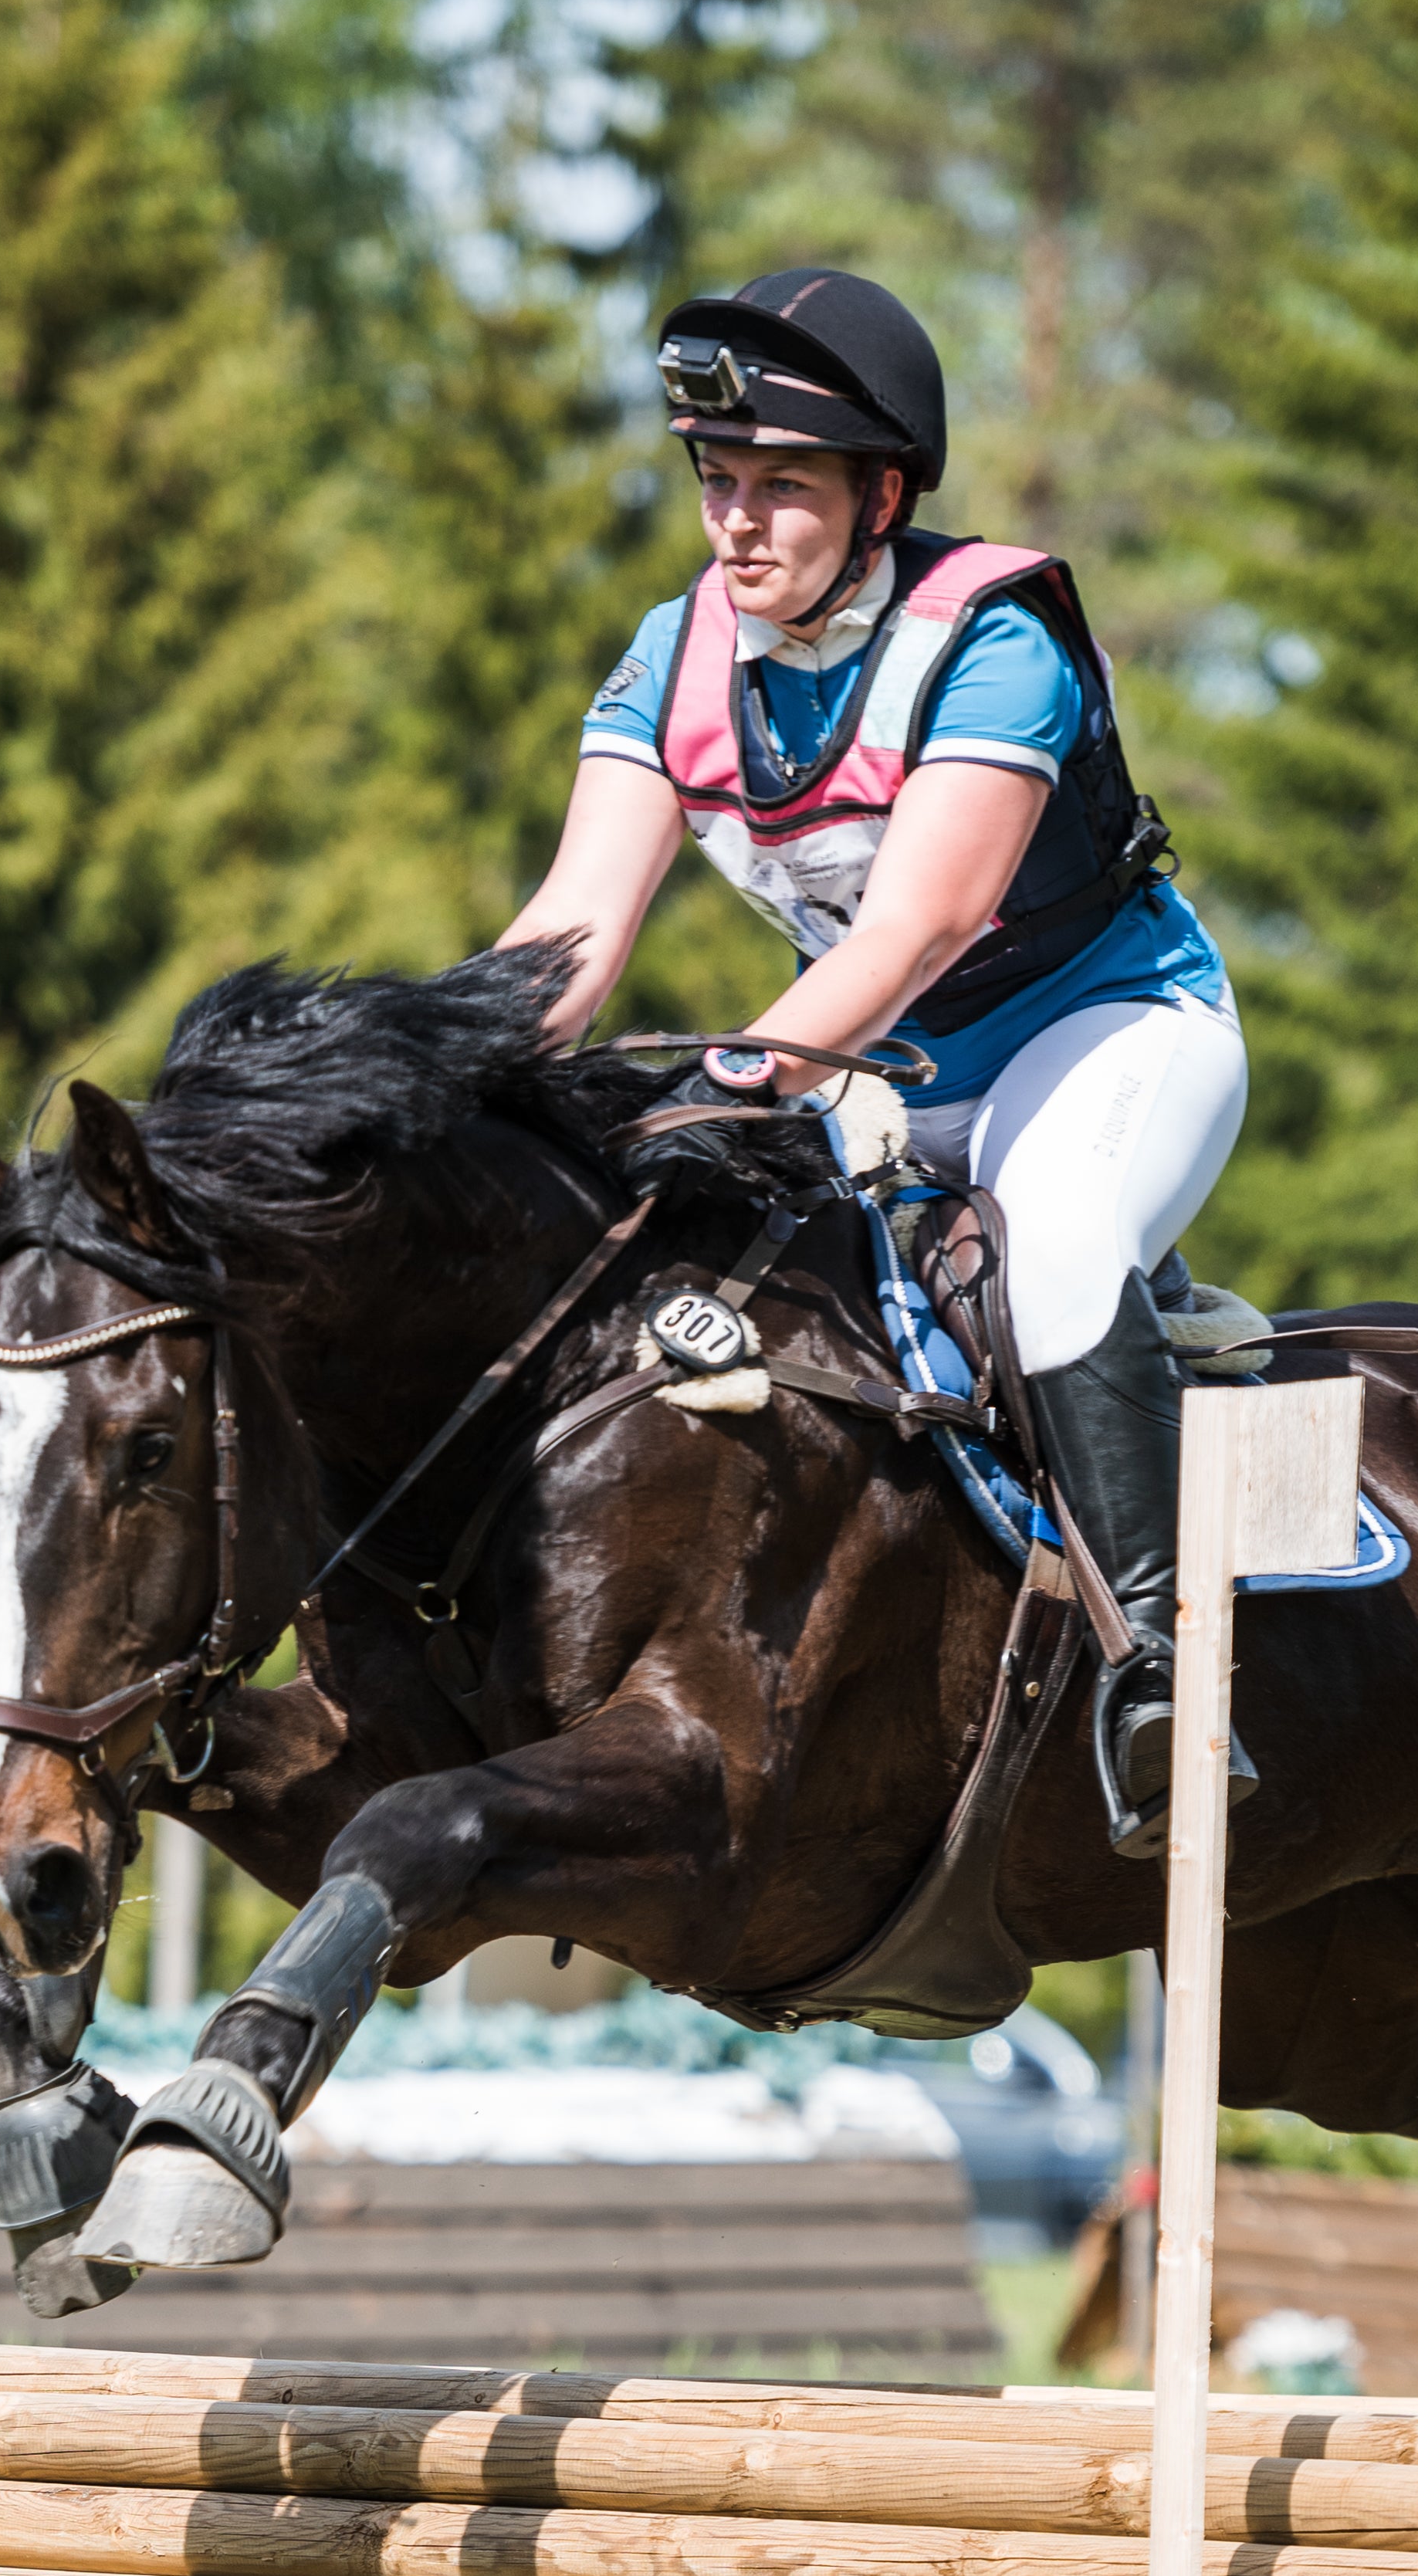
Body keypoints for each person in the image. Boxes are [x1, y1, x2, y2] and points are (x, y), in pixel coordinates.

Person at [496, 264, 1253, 1858]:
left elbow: (916, 931)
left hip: (1105, 1034)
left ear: (883, 497)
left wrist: (733, 1079)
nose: (737, 524)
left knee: (1053, 1247)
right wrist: (435, 1081)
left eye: (783, 486)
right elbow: (571, 928)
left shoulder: (994, 640)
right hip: (878, 1076)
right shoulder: (673, 654)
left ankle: (1161, 1671)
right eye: (717, 480)